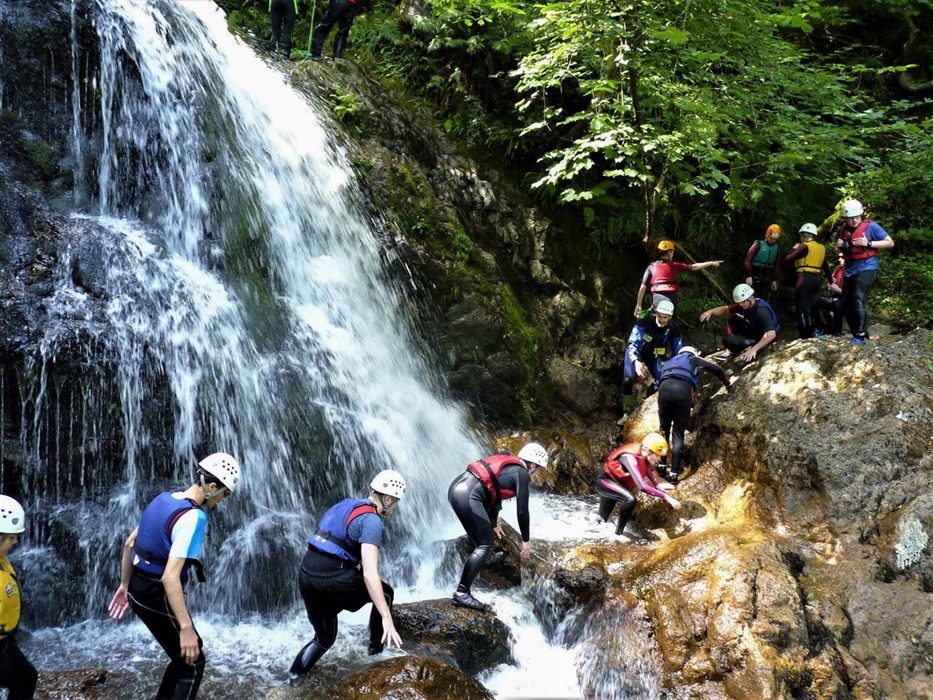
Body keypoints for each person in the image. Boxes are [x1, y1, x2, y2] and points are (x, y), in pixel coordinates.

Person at [108, 453, 242, 700]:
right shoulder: (194, 517)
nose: (224, 500)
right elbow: (170, 578)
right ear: (211, 487)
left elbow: (129, 544)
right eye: (225, 494)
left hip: (137, 588)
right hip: (155, 594)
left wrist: (124, 585)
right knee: (193, 662)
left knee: (182, 658)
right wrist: (186, 628)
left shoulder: (163, 498)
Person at [290, 470, 406, 676]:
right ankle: (376, 651)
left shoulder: (346, 504)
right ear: (387, 499)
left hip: (306, 574)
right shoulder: (372, 520)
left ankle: (291, 681)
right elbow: (369, 575)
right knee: (386, 593)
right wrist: (387, 617)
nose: (396, 507)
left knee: (323, 639)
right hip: (331, 579)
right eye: (396, 502)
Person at [448, 443, 548, 612]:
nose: (537, 473)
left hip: (458, 487)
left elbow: (493, 494)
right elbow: (522, 510)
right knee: (485, 545)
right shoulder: (522, 474)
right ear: (532, 465)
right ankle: (462, 593)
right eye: (538, 469)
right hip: (467, 495)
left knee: (484, 538)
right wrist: (526, 540)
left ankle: (484, 558)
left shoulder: (510, 467)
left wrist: (493, 524)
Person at [656, 347, 732, 485]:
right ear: (693, 353)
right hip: (682, 391)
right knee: (678, 433)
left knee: (664, 430)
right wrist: (727, 383)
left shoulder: (669, 361)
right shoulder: (693, 359)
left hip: (664, 390)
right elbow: (716, 369)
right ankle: (673, 474)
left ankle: (661, 465)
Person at [834, 199, 895, 344]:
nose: (854, 220)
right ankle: (858, 332)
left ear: (861, 215)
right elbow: (837, 250)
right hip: (849, 268)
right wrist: (838, 247)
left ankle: (860, 335)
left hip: (867, 266)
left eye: (857, 217)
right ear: (845, 218)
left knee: (857, 297)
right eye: (850, 218)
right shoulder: (841, 230)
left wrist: (869, 243)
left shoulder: (871, 227)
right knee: (847, 301)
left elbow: (890, 242)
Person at [596, 433, 681, 536]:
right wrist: (666, 497)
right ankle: (618, 535)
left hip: (616, 484)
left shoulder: (643, 454)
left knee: (601, 521)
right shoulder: (630, 458)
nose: (659, 459)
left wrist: (657, 485)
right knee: (630, 500)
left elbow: (646, 468)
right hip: (604, 481)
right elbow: (642, 486)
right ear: (648, 451)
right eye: (657, 455)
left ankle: (601, 535)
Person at [0, 495, 37, 700]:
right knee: (25, 677)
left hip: (4, 639)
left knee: (26, 676)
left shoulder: (1, 560)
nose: (16, 541)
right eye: (11, 537)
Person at [633, 240, 723, 317]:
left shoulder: (651, 267)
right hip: (671, 298)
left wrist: (638, 305)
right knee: (670, 320)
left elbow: (643, 286)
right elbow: (694, 267)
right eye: (672, 252)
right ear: (669, 252)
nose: (672, 255)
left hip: (657, 297)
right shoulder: (674, 265)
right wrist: (711, 263)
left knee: (656, 319)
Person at [622, 299, 683, 412]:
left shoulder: (673, 328)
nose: (661, 320)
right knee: (627, 380)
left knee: (663, 382)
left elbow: (678, 348)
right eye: (659, 316)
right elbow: (634, 342)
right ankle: (627, 410)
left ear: (670, 317)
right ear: (656, 314)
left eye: (665, 317)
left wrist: (679, 365)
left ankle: (656, 407)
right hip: (636, 353)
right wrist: (636, 361)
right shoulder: (645, 321)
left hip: (655, 355)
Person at [699, 283, 780, 363]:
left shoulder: (761, 311)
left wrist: (754, 349)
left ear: (751, 298)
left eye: (743, 302)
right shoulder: (747, 304)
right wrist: (711, 312)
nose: (740, 304)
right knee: (734, 317)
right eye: (739, 302)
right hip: (755, 331)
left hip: (764, 337)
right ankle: (735, 347)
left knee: (727, 340)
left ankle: (736, 349)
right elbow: (726, 309)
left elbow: (771, 334)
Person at [784, 223, 831, 339]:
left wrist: (793, 248)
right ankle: (817, 330)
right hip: (815, 280)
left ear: (804, 235)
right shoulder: (821, 248)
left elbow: (788, 259)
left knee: (801, 308)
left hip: (804, 279)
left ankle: (805, 335)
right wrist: (831, 281)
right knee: (812, 306)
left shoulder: (804, 246)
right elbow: (826, 267)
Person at [744, 224, 782, 302]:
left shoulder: (776, 248)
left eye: (774, 239)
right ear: (766, 235)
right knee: (750, 298)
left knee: (763, 298)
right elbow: (748, 260)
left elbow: (776, 264)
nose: (772, 240)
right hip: (755, 274)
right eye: (771, 238)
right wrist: (748, 275)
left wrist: (774, 280)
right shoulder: (757, 244)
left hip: (767, 276)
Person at [813, 253, 845, 337]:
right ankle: (821, 328)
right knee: (814, 302)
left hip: (845, 299)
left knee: (838, 305)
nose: (839, 260)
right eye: (839, 257)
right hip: (835, 298)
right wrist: (829, 285)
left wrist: (840, 290)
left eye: (842, 258)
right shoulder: (838, 268)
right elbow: (828, 284)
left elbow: (854, 291)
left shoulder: (851, 270)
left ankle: (837, 332)